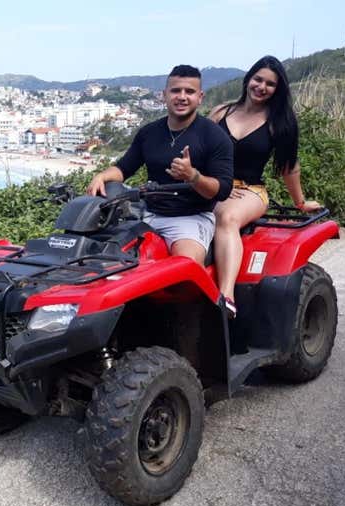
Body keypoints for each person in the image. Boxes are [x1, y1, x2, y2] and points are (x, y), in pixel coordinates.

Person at [208, 55, 321, 318]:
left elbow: (288, 167)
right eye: (258, 79)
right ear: (248, 79)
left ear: (277, 90)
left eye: (270, 84)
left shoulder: (279, 123)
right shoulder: (221, 112)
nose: (262, 86)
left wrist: (300, 203)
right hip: (215, 186)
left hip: (250, 191)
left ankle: (226, 297)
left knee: (227, 217)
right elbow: (199, 150)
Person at [87, 65, 233, 265]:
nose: (182, 97)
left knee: (185, 267)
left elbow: (222, 190)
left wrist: (193, 176)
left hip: (190, 219)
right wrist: (102, 176)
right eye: (175, 90)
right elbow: (124, 168)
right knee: (103, 258)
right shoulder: (149, 133)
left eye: (189, 91)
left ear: (200, 97)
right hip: (148, 214)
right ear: (164, 95)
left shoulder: (215, 136)